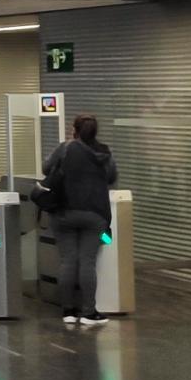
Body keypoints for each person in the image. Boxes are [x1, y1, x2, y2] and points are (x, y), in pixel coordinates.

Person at [44, 114, 119, 326]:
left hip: (64, 212)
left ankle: (68, 311)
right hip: (94, 213)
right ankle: (88, 312)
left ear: (74, 129)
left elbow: (46, 168)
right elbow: (112, 177)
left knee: (68, 260)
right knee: (87, 262)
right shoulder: (104, 151)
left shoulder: (65, 148)